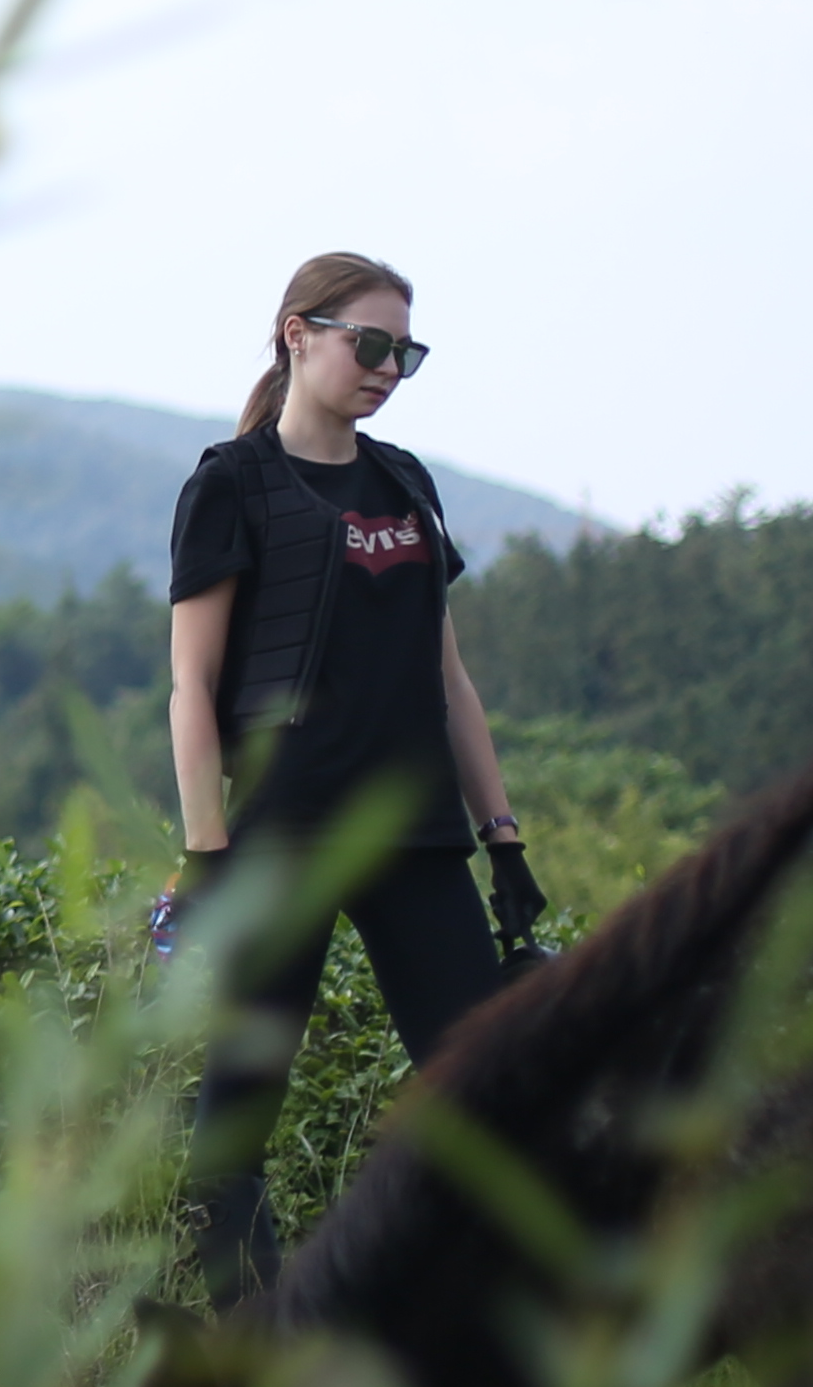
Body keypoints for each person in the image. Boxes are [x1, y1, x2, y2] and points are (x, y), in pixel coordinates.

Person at [157, 247, 543, 1300]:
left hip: (418, 840)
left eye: (405, 354)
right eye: (370, 344)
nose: (387, 368)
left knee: (490, 1102)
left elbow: (450, 678)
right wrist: (207, 855)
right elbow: (190, 685)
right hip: (283, 840)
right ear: (299, 335)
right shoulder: (234, 483)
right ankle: (246, 1353)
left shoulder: (405, 482)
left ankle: (455, 1338)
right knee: (235, 1118)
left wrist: (502, 834)